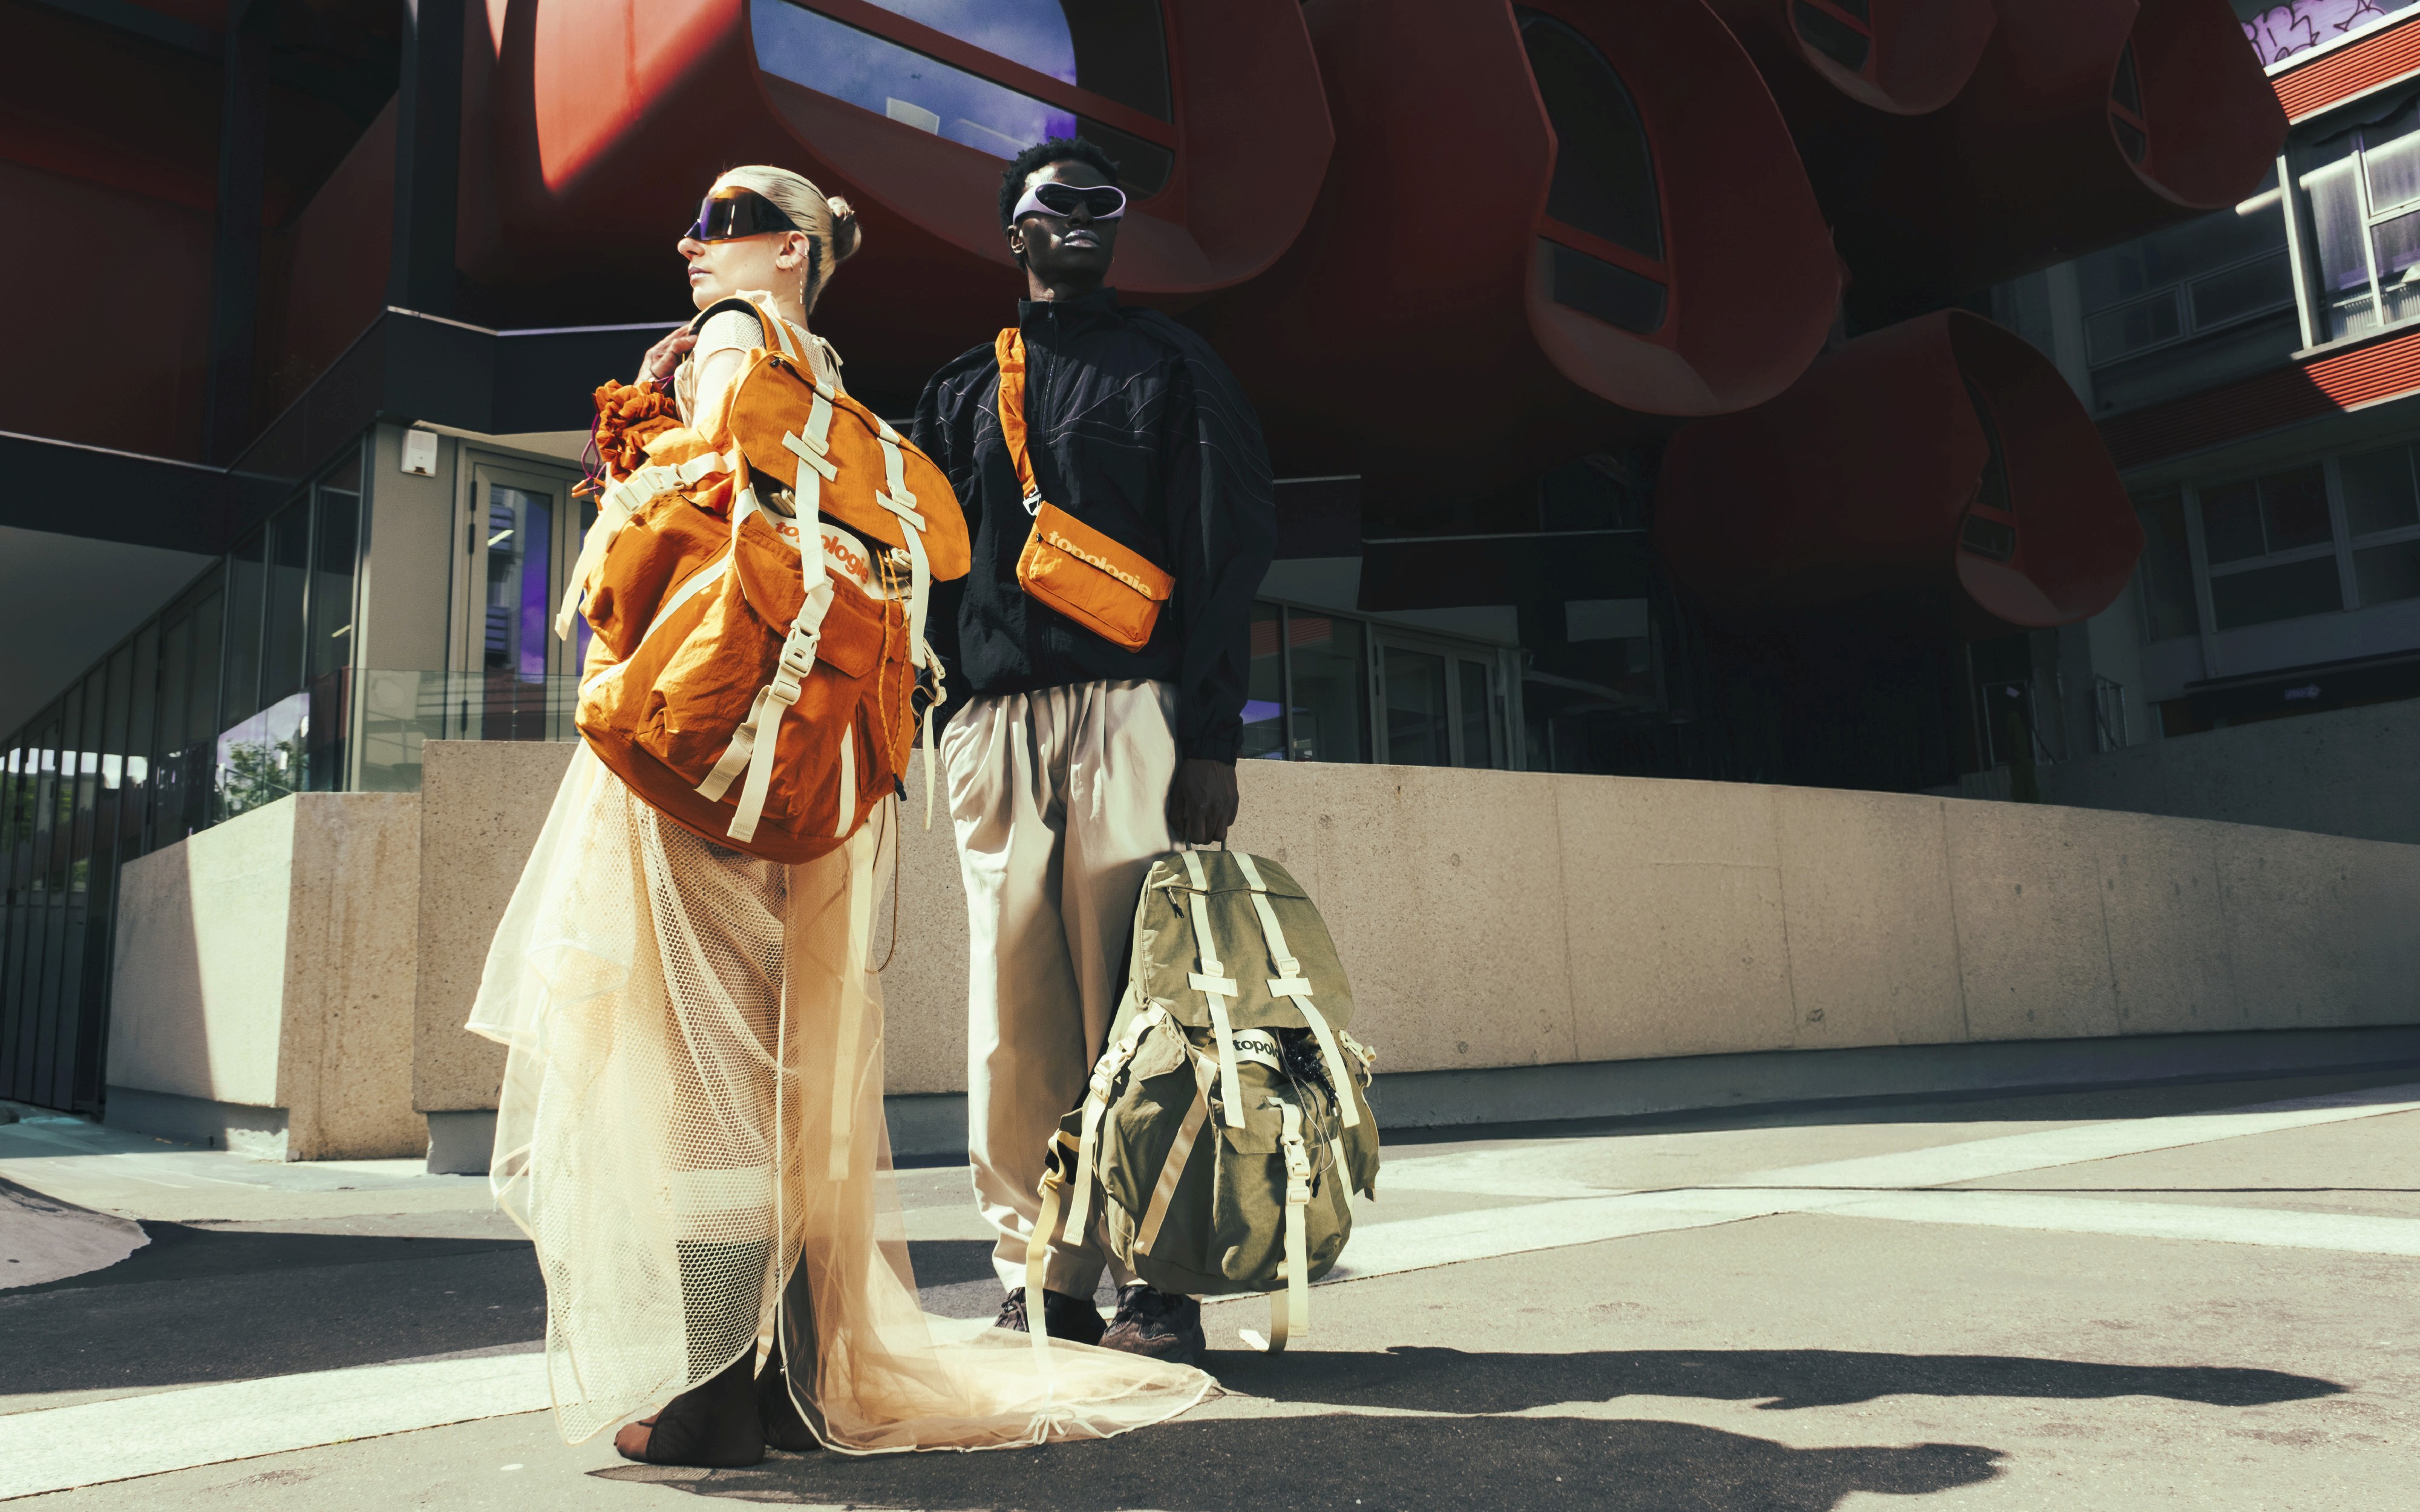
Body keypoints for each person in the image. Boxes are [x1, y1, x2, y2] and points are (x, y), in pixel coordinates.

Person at [467, 164, 1216, 1470]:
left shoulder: (730, 345)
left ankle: (715, 1385)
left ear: (795, 250)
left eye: (725, 224)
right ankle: (803, 1374)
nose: (694, 244)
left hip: (709, 750)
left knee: (702, 1062)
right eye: (699, 224)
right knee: (795, 1069)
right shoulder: (840, 394)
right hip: (816, 773)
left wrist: (657, 412)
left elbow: (649, 545)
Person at [913, 138, 1278, 1367]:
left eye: (1099, 204)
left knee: (1144, 1004)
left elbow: (1224, 554)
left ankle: (1161, 1281)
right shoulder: (963, 388)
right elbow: (922, 566)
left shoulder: (1173, 366)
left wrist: (1209, 737)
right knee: (1010, 1018)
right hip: (995, 725)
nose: (1078, 219)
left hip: (1132, 714)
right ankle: (1042, 1273)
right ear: (1011, 235)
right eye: (1051, 204)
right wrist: (939, 717)